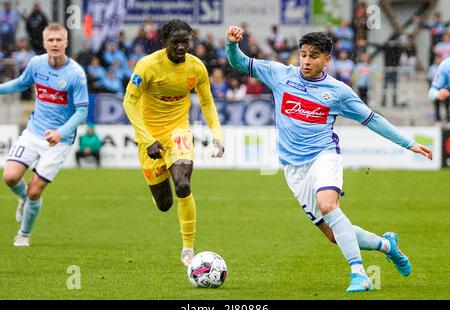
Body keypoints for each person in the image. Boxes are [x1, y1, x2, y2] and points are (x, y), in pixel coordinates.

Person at [226, 26, 433, 292]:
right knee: (334, 235)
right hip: (293, 168)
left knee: (328, 205)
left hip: (323, 156)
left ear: (327, 59)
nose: (306, 61)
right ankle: (386, 245)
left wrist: (409, 143)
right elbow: (239, 62)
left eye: (314, 56)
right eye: (303, 55)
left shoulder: (337, 91)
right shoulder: (281, 75)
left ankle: (359, 274)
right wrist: (232, 44)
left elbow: (372, 119)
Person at [123, 19, 224, 267]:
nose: (181, 47)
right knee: (165, 204)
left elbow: (207, 102)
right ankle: (159, 187)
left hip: (178, 130)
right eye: (175, 42)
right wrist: (148, 139)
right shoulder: (147, 66)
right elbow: (129, 103)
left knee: (182, 183)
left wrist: (217, 135)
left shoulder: (196, 67)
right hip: (149, 136)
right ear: (164, 42)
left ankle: (187, 249)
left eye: (185, 41)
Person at [0, 23, 89, 247]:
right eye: (51, 40)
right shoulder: (36, 64)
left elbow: (82, 112)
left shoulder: (76, 74)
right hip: (33, 131)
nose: (55, 44)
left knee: (34, 190)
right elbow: (21, 84)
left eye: (59, 40)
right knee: (10, 177)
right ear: (44, 42)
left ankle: (23, 234)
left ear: (66, 42)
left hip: (58, 141)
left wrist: (60, 133)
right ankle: (22, 198)